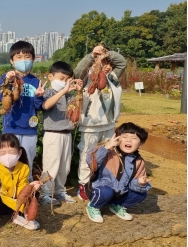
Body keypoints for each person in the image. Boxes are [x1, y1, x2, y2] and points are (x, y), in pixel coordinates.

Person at [74, 43, 127, 201]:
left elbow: (122, 62)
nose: (107, 67)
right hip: (90, 126)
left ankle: (101, 182)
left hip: (109, 126)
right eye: (103, 64)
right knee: (86, 156)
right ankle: (83, 185)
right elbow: (77, 71)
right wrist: (93, 56)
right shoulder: (88, 76)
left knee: (107, 156)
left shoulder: (113, 77)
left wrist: (106, 53)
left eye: (109, 64)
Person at [0, 41, 45, 181]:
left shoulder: (35, 81)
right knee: (8, 162)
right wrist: (7, 81)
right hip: (10, 128)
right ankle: (8, 190)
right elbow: (2, 98)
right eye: (19, 57)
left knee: (27, 162)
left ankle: (27, 190)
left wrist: (39, 96)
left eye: (27, 56)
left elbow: (38, 107)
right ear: (12, 61)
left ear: (33, 59)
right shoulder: (6, 79)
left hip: (30, 129)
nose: (23, 60)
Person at [85, 122, 151, 223]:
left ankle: (117, 206)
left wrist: (140, 183)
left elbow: (134, 183)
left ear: (141, 144)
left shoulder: (139, 161)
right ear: (117, 139)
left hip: (120, 193)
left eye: (134, 138)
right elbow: (91, 161)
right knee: (106, 191)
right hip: (100, 190)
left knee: (141, 194)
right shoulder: (109, 152)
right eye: (124, 137)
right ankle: (93, 206)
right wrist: (106, 147)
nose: (128, 140)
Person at [0, 134, 42, 235]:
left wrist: (31, 188)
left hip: (14, 204)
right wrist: (18, 207)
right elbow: (1, 193)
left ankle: (21, 216)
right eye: (3, 153)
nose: (7, 156)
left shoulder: (24, 168)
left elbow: (22, 190)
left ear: (19, 152)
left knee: (33, 192)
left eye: (12, 152)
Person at [39, 62, 83, 206]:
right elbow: (46, 105)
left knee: (64, 165)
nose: (64, 82)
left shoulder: (68, 95)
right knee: (51, 164)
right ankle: (45, 193)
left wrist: (78, 92)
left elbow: (78, 110)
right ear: (51, 76)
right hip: (53, 134)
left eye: (67, 79)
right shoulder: (48, 92)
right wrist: (63, 91)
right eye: (61, 78)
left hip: (66, 134)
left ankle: (59, 190)